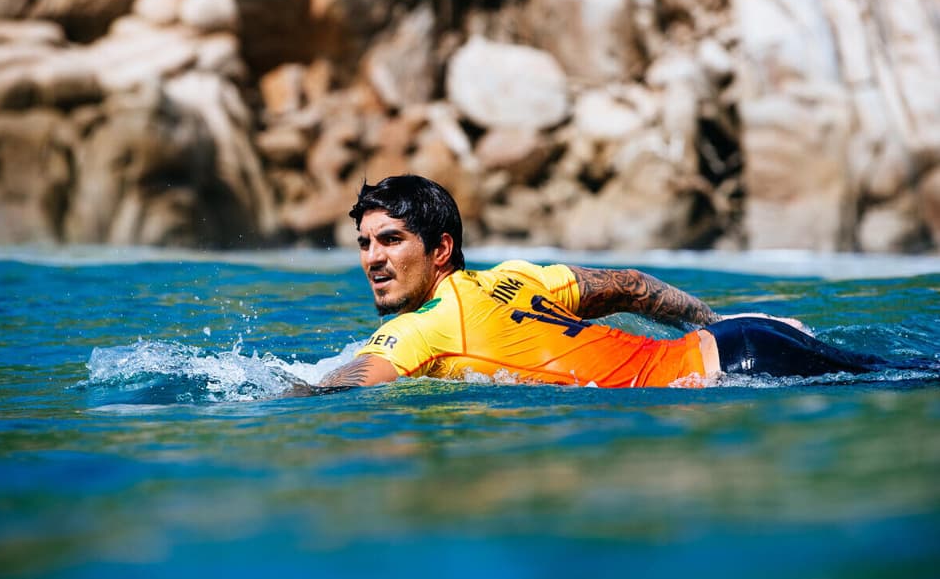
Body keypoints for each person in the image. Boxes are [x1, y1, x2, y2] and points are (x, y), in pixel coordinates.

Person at [291, 174, 902, 395]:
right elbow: (632, 286)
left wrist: (272, 399)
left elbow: (341, 389)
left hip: (733, 372)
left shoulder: (421, 329)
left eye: (391, 240)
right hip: (747, 343)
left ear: (440, 249)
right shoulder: (514, 276)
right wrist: (720, 327)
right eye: (366, 243)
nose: (372, 257)